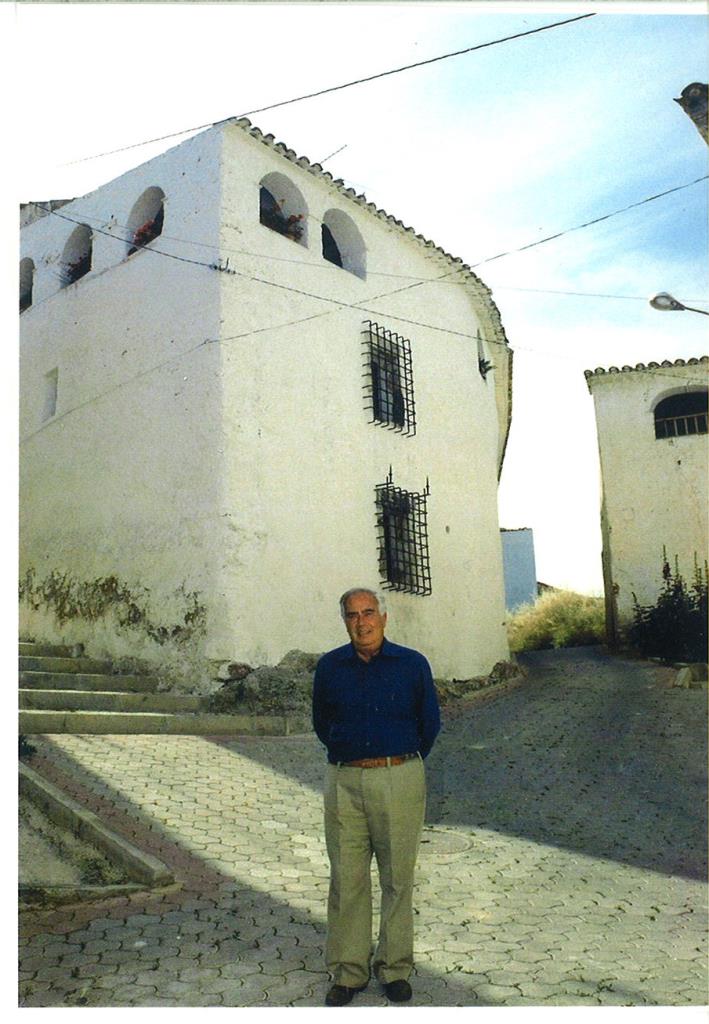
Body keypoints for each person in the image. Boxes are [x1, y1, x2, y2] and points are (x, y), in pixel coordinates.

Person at [312, 587, 441, 1006]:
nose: (362, 622)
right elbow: (321, 722)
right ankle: (348, 972)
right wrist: (350, 752)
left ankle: (394, 967)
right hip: (345, 781)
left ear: (384, 618)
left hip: (398, 777)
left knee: (397, 878)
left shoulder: (412, 665)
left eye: (369, 613)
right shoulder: (330, 668)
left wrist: (397, 759)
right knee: (346, 877)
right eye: (352, 615)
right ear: (344, 621)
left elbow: (430, 725)